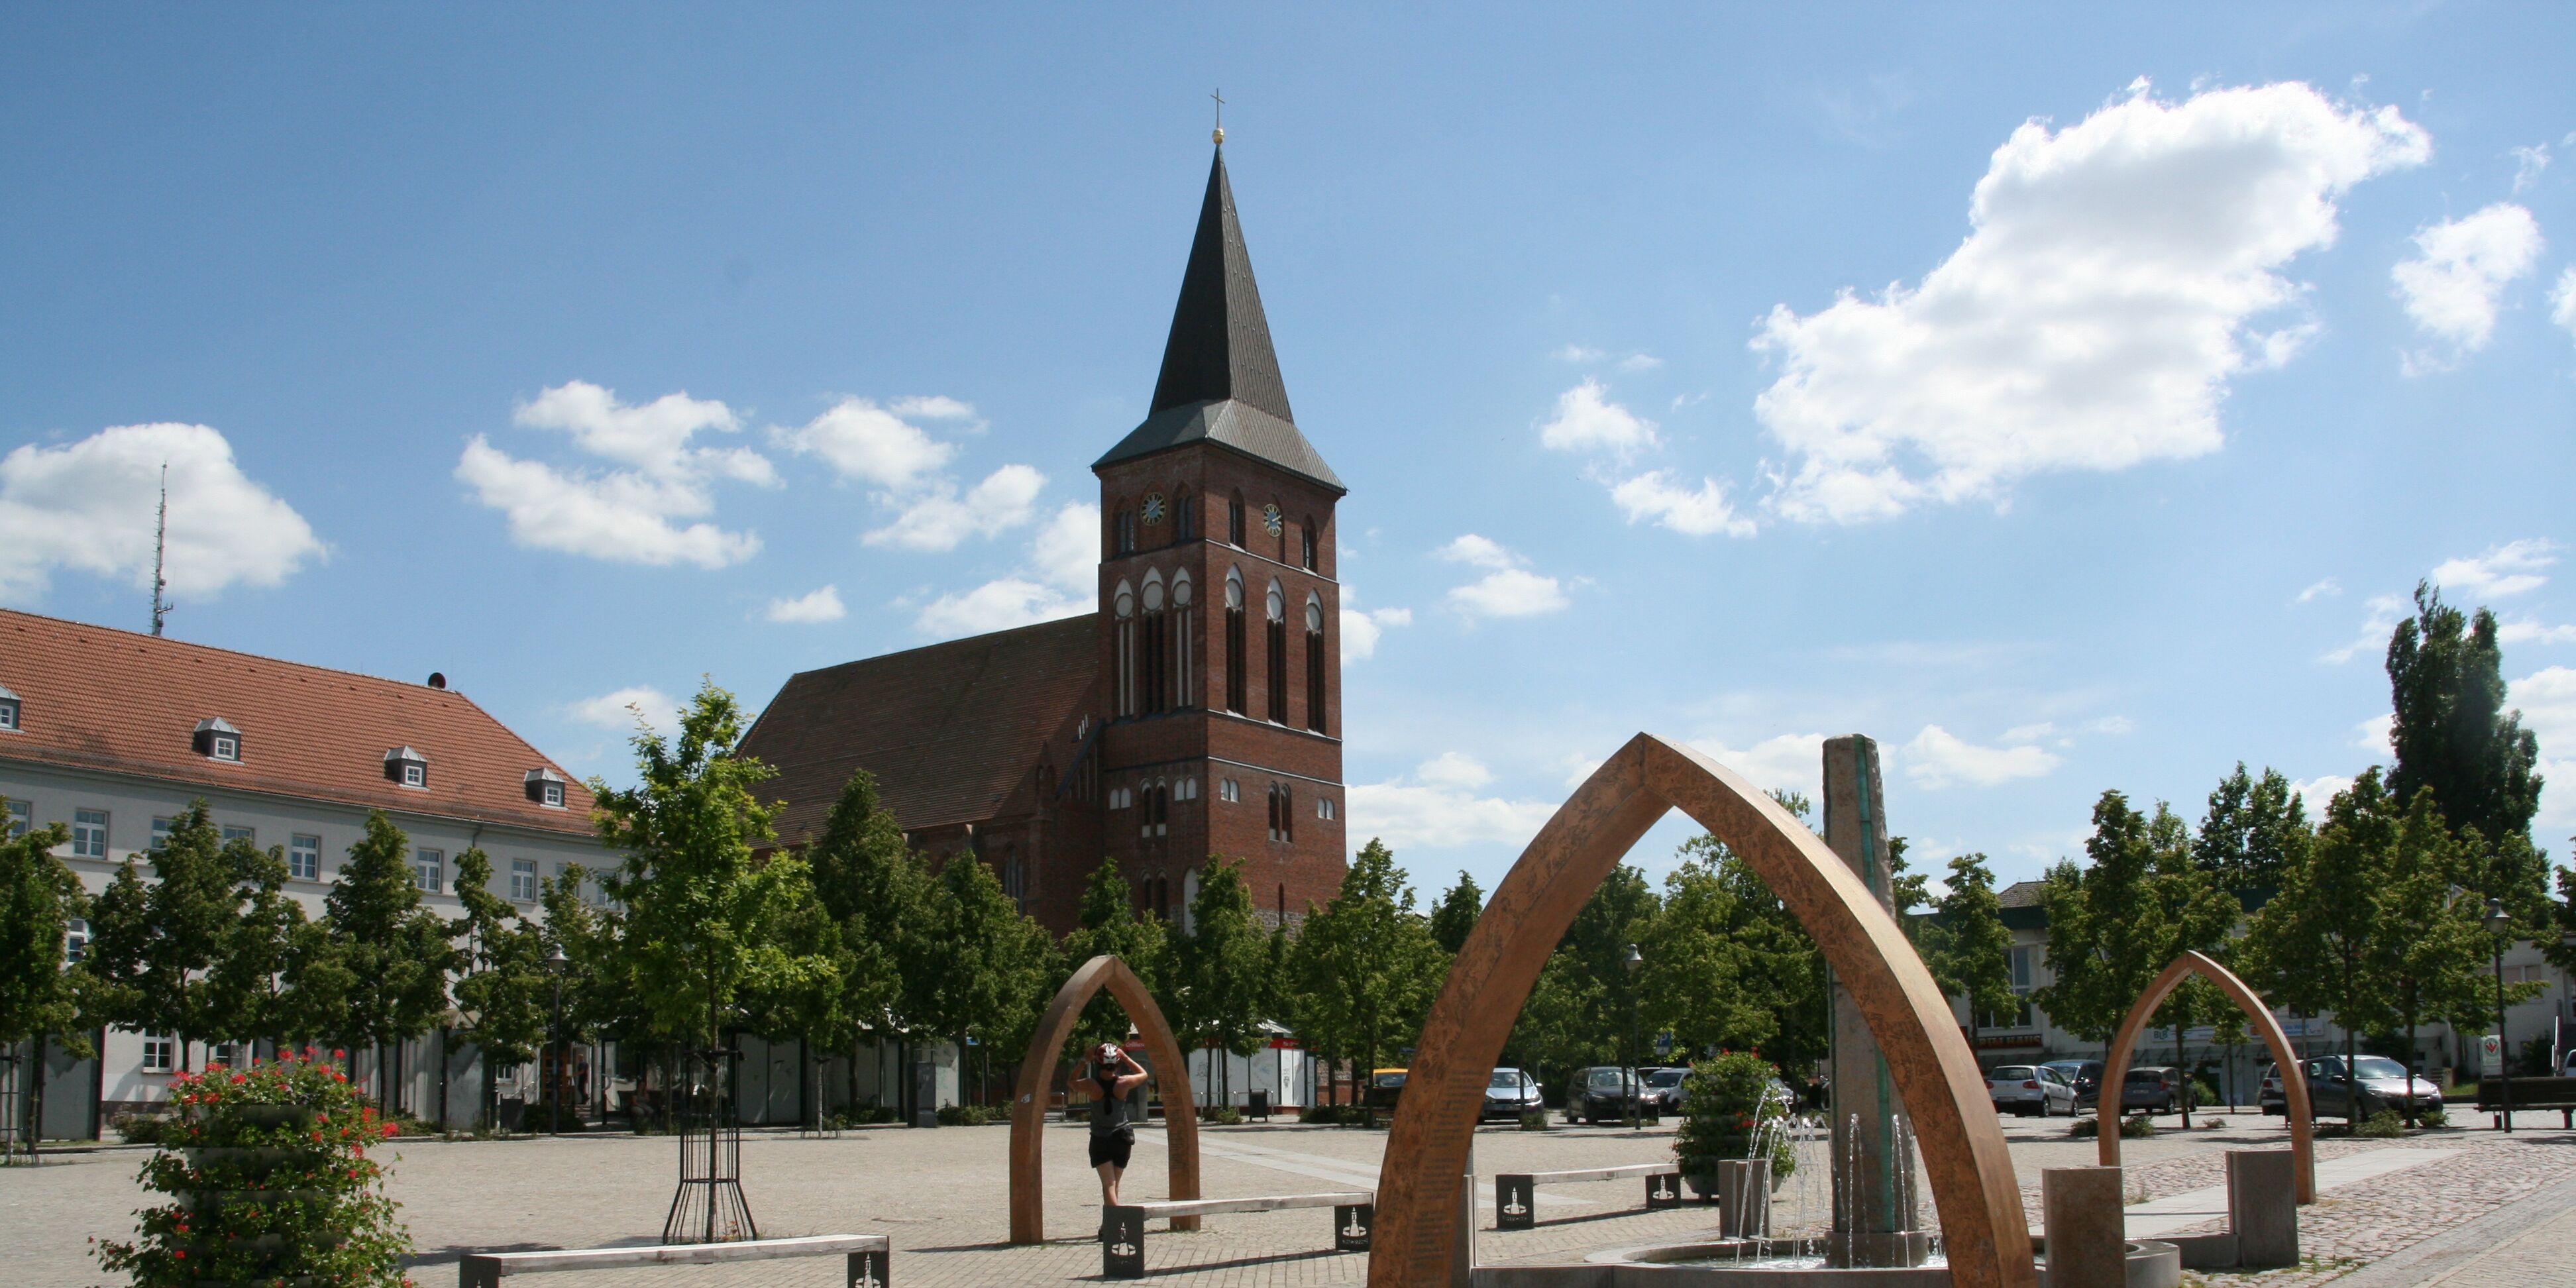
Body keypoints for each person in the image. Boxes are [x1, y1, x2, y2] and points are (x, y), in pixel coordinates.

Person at [1090, 1042, 1151, 1226]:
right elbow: (1144, 1074)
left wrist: (1082, 1063)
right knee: (1115, 1184)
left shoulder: (1091, 1085)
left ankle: (1116, 1226)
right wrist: (1126, 1057)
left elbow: (1071, 1082)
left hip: (1101, 1138)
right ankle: (1107, 1226)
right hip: (1122, 1137)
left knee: (1108, 1185)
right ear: (1117, 1063)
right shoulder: (1124, 1082)